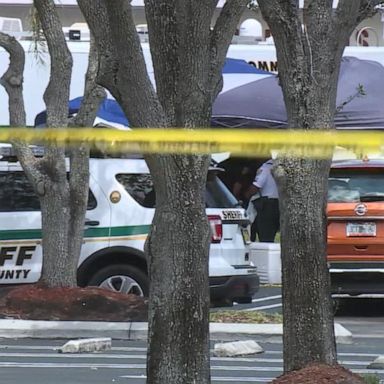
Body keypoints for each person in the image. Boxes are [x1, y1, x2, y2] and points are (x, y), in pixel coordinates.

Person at [245, 159, 279, 242]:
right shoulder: (279, 166)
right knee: (270, 234)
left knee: (265, 236)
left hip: (267, 206)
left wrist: (246, 195)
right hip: (277, 204)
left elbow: (255, 187)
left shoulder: (265, 168)